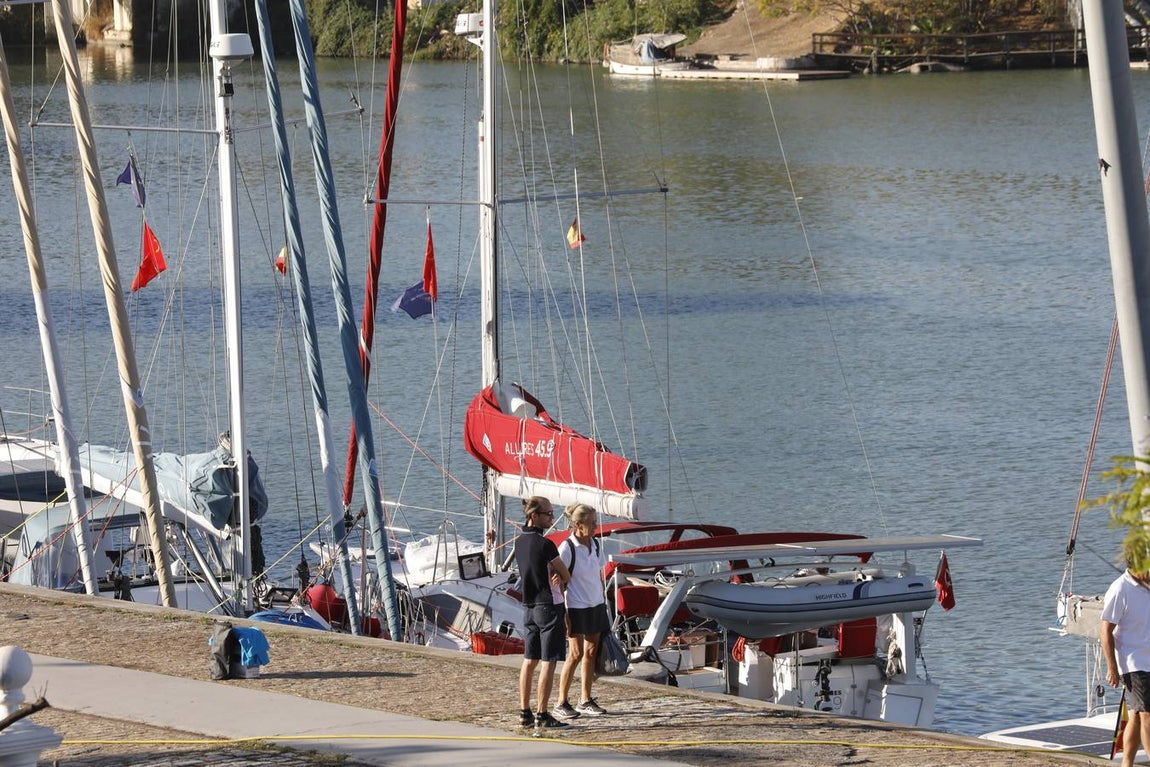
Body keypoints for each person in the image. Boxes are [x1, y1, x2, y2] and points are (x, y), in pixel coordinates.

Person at [513, 496, 572, 731]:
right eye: (548, 514)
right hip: (548, 606)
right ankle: (542, 714)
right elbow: (565, 574)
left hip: (528, 606)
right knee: (549, 661)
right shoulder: (545, 544)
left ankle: (524, 712)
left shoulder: (519, 542)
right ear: (534, 516)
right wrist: (560, 576)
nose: (551, 517)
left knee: (529, 660)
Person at [553, 503, 611, 719]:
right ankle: (561, 701)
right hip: (576, 606)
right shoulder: (567, 548)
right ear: (578, 525)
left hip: (595, 604)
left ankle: (585, 699)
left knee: (591, 652)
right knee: (575, 654)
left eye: (595, 522)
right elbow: (558, 577)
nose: (595, 527)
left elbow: (598, 574)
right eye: (591, 523)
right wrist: (563, 610)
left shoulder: (595, 544)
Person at [1101, 539, 1150, 767]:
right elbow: (1105, 630)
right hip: (1133, 662)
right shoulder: (1120, 588)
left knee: (1137, 716)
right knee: (1147, 715)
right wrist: (1112, 667)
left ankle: (1126, 764)